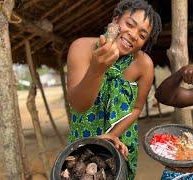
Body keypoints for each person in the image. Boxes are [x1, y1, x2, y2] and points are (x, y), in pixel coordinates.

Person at [66, 0, 162, 179]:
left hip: (119, 143)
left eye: (142, 35)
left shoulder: (144, 65)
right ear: (116, 20)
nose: (133, 35)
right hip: (83, 140)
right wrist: (97, 69)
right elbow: (78, 105)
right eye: (130, 24)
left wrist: (111, 136)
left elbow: (136, 108)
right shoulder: (81, 48)